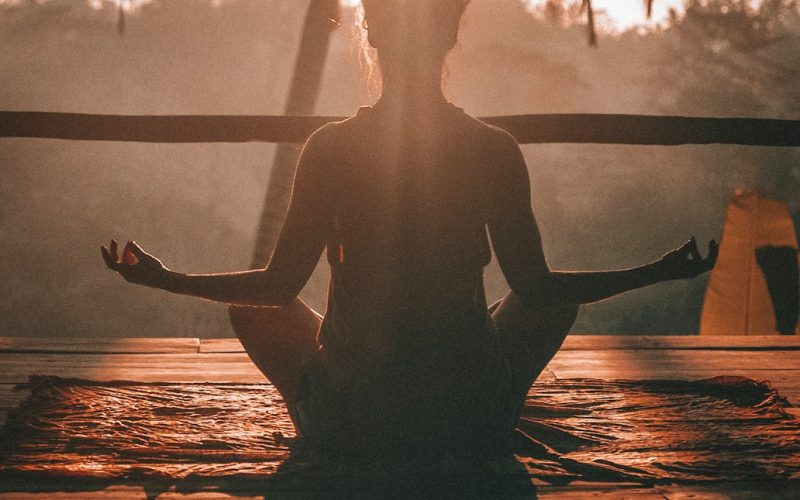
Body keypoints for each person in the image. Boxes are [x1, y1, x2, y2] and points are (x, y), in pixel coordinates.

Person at [102, 0, 717, 462]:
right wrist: (657, 270)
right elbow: (538, 287)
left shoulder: (331, 148)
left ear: (371, 34)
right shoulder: (491, 149)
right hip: (465, 414)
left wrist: (165, 279)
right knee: (546, 306)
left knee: (252, 311)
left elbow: (277, 285)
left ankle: (324, 426)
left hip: (356, 415)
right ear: (449, 36)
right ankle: (492, 411)